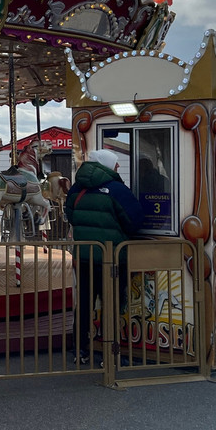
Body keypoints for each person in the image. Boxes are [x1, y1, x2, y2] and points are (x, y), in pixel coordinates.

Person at [64, 149, 143, 364]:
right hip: (112, 258)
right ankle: (110, 354)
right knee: (112, 304)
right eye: (116, 164)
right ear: (108, 166)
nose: (118, 167)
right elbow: (135, 220)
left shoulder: (77, 188)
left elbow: (70, 213)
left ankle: (80, 350)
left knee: (85, 302)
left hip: (84, 256)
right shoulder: (117, 190)